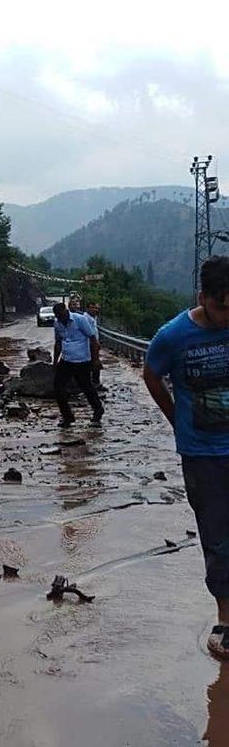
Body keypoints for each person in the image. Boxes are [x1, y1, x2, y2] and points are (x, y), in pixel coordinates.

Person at [143, 255, 229, 659]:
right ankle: (226, 618)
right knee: (217, 537)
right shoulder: (173, 336)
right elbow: (150, 373)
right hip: (203, 454)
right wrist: (177, 419)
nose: (228, 316)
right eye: (221, 308)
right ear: (203, 298)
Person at [52, 302, 104, 427]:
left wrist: (95, 360)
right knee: (58, 386)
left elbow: (93, 339)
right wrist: (55, 361)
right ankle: (67, 417)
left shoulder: (80, 320)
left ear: (66, 311)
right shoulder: (57, 323)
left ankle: (98, 410)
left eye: (62, 315)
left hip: (82, 361)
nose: (61, 318)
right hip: (66, 360)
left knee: (87, 387)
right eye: (58, 316)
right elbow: (58, 342)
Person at [85, 302, 103, 388]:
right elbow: (90, 334)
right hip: (89, 345)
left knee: (95, 364)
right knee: (95, 364)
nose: (95, 310)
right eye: (92, 308)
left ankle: (94, 383)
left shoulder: (93, 318)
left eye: (96, 308)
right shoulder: (85, 319)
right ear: (87, 308)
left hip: (94, 345)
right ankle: (94, 383)